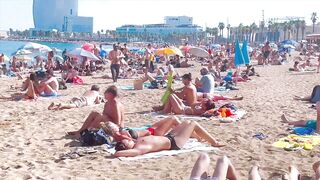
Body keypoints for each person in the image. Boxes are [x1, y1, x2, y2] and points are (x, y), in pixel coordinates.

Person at [113, 120, 224, 157]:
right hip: (175, 143)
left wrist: (124, 139)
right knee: (193, 123)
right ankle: (214, 142)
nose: (129, 139)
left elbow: (125, 139)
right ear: (127, 146)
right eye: (127, 141)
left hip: (169, 137)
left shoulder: (136, 142)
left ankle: (198, 137)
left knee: (186, 122)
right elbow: (119, 154)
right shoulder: (139, 148)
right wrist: (117, 153)